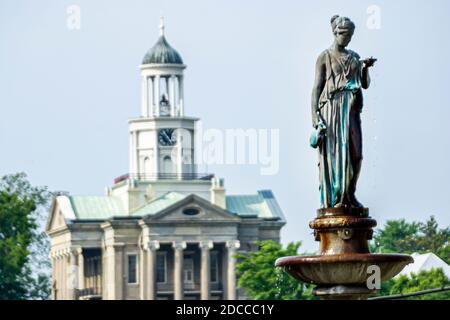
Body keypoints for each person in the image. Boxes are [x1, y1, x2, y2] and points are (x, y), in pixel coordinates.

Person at [311, 15, 376, 209]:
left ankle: (350, 194)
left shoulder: (354, 56)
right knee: (337, 154)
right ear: (336, 33)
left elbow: (364, 84)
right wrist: (315, 116)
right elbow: (316, 87)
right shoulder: (325, 56)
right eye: (345, 35)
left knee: (356, 155)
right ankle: (338, 199)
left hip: (352, 109)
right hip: (332, 109)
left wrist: (365, 68)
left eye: (350, 35)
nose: (348, 39)